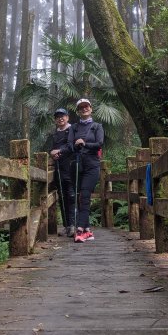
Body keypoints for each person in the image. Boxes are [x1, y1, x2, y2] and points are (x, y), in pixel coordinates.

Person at [68, 98, 104, 243]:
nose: (84, 109)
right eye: (81, 107)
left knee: (85, 194)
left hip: (92, 164)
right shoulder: (74, 128)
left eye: (86, 106)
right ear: (78, 111)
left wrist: (85, 144)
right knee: (80, 196)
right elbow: (69, 144)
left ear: (91, 108)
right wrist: (76, 145)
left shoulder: (97, 126)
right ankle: (88, 230)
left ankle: (80, 230)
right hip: (77, 164)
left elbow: (100, 143)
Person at [49, 108, 75, 237]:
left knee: (71, 195)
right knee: (62, 196)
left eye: (63, 116)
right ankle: (66, 226)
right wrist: (53, 154)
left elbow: (71, 146)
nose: (60, 118)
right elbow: (52, 149)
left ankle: (73, 225)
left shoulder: (72, 130)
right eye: (58, 117)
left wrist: (58, 151)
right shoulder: (55, 134)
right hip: (58, 168)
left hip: (70, 167)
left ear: (67, 117)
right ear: (55, 120)